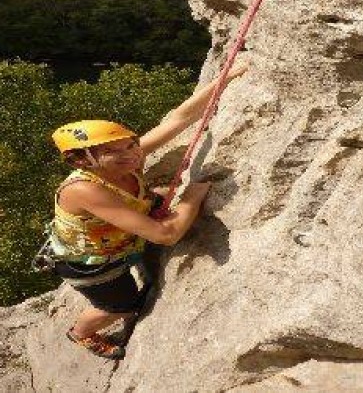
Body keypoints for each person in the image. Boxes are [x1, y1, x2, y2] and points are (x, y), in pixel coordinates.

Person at [47, 63, 248, 359]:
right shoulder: (83, 190)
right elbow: (166, 235)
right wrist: (191, 198)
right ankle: (81, 333)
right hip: (91, 264)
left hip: (117, 236)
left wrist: (229, 75)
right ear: (82, 161)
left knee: (160, 193)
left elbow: (180, 118)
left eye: (129, 145)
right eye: (112, 151)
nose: (129, 155)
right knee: (123, 306)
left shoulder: (128, 158)